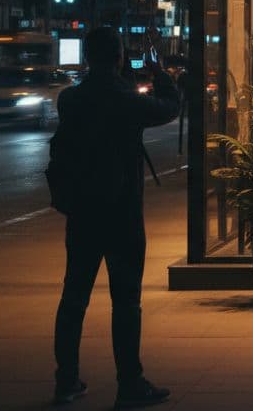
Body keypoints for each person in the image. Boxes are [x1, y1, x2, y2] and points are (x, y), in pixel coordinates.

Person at [52, 27, 179, 407]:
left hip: (82, 211)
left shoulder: (70, 100)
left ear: (88, 57)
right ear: (120, 57)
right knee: (126, 301)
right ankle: (130, 381)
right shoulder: (125, 99)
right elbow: (170, 107)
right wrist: (159, 71)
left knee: (73, 297)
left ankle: (66, 380)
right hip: (122, 212)